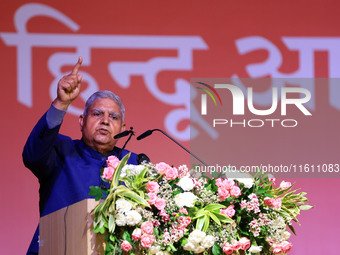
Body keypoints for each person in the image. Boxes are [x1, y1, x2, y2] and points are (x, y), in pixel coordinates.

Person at [23, 57, 144, 254]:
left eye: (113, 117)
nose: (105, 121)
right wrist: (61, 104)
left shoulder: (135, 164)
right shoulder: (61, 150)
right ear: (82, 121)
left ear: (122, 129)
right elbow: (32, 155)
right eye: (97, 114)